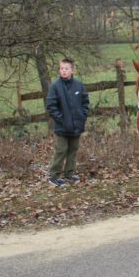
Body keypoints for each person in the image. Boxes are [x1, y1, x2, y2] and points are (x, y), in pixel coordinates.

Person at [45, 58, 90, 187]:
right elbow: (51, 106)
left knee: (73, 150)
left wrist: (82, 117)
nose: (63, 71)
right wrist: (61, 119)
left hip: (77, 126)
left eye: (66, 69)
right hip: (62, 127)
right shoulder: (55, 86)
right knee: (61, 150)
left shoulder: (79, 86)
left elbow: (85, 103)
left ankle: (69, 174)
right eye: (61, 69)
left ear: (72, 70)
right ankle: (54, 176)